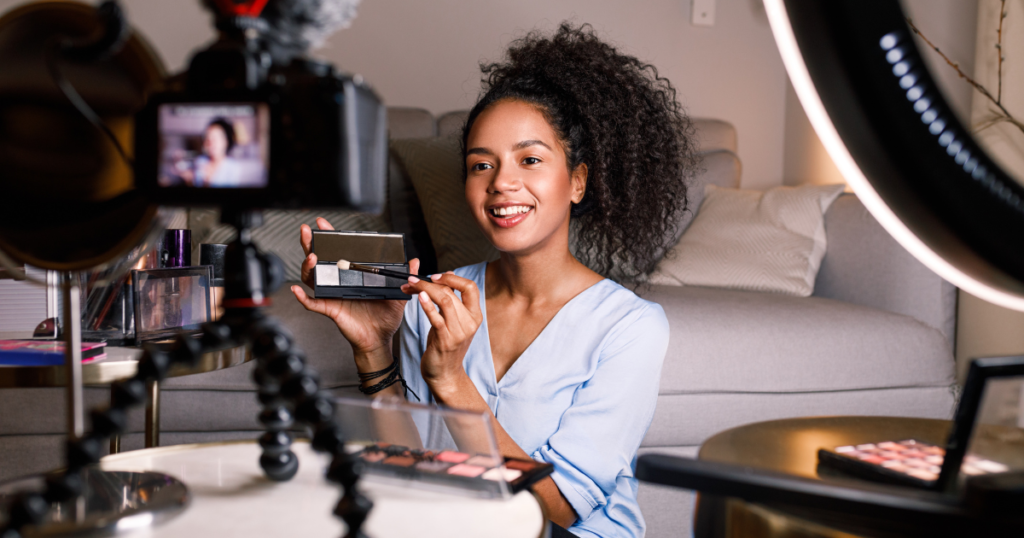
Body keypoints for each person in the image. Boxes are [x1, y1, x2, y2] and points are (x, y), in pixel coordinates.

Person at [292, 23, 697, 538]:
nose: (502, 182)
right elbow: (415, 467)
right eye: (481, 165)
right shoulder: (436, 300)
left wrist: (452, 381)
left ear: (577, 180)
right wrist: (374, 350)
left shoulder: (631, 327)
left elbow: (559, 507)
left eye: (530, 160)